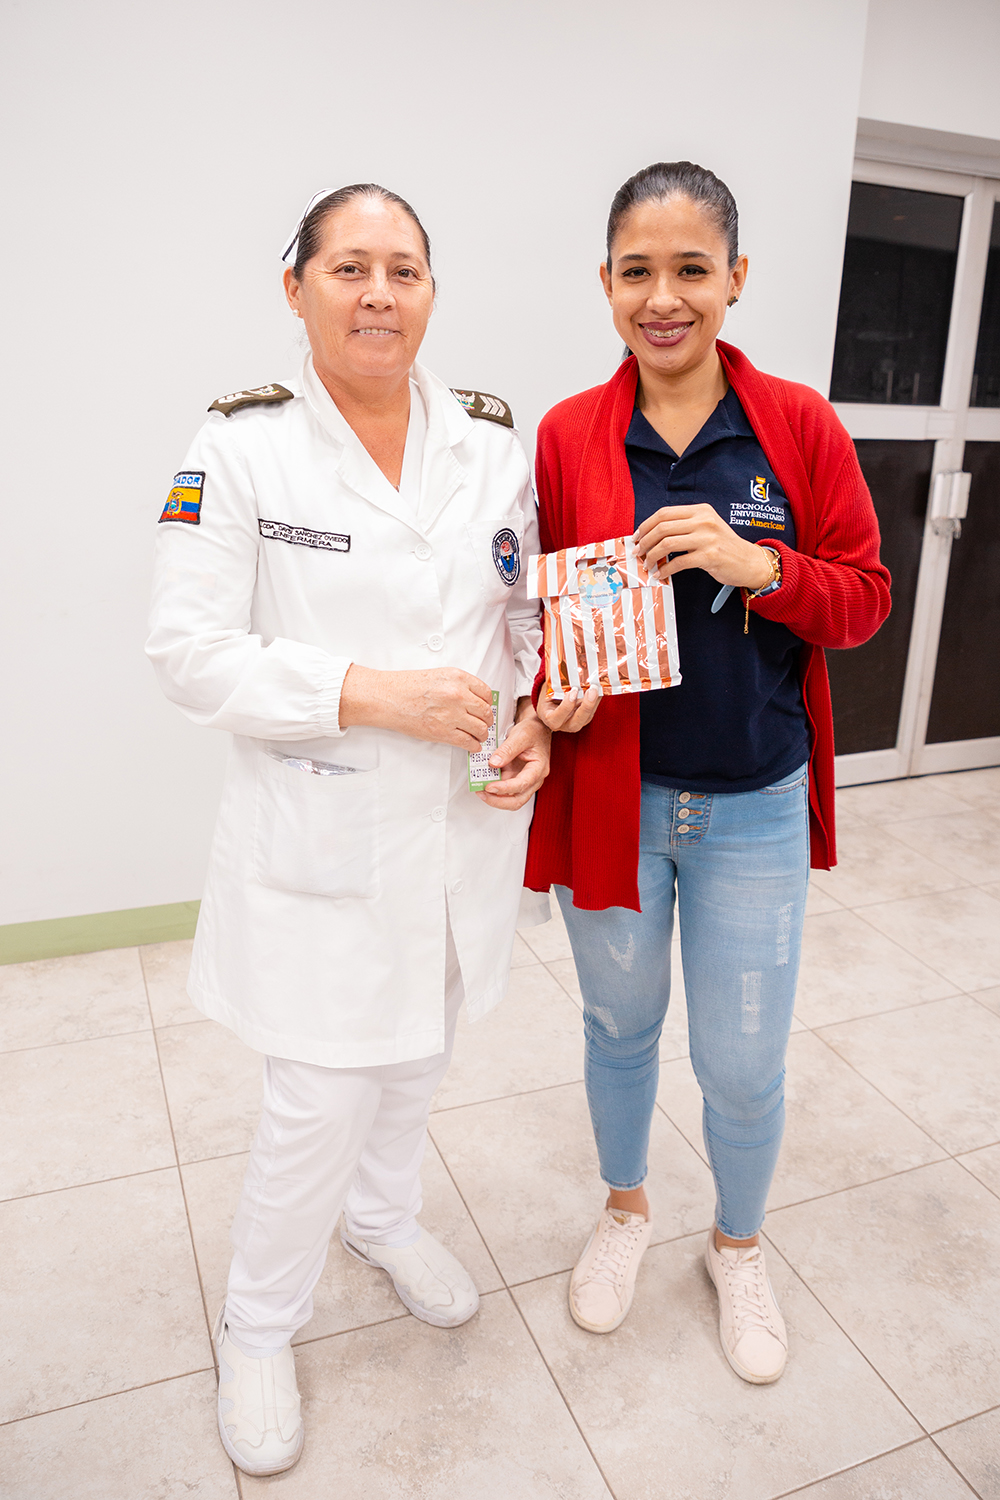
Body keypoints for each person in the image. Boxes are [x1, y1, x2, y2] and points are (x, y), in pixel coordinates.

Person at [146, 183, 547, 1474]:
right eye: (351, 268)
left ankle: (382, 1219)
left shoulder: (489, 440)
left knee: (417, 1056)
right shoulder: (241, 446)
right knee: (316, 1097)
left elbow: (520, 612)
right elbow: (188, 653)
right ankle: (258, 1325)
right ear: (297, 287)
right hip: (325, 830)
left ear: (431, 291)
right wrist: (370, 693)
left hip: (459, 826)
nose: (381, 294)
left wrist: (539, 717)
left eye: (405, 270)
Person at [525, 162, 890, 1384]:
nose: (663, 298)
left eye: (691, 269)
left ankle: (737, 1245)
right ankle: (625, 1210)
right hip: (614, 802)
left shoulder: (796, 425)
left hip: (753, 806)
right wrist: (554, 691)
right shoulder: (570, 433)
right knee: (618, 1027)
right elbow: (539, 615)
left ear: (735, 278)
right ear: (605, 283)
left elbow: (863, 599)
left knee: (740, 1062)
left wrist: (757, 565)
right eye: (637, 271)